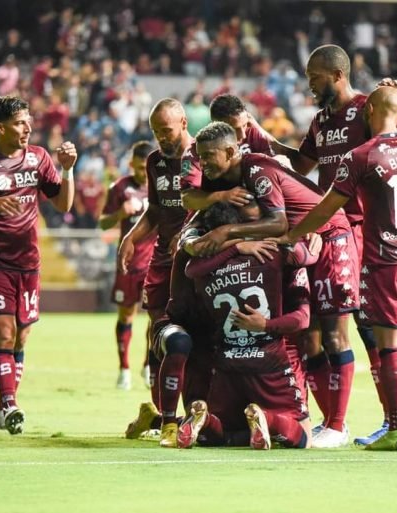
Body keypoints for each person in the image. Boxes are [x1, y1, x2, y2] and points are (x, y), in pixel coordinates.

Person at [274, 86, 397, 450]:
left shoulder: (361, 155)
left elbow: (326, 207)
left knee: (391, 347)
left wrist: (294, 234)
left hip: (386, 263)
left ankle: (395, 431)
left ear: (372, 110)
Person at [269, 44, 397, 446]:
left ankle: (391, 423)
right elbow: (302, 167)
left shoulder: (366, 108)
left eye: (314, 77)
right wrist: (263, 143)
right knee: (317, 331)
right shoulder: (321, 121)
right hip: (327, 231)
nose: (309, 85)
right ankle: (334, 421)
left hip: (359, 232)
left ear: (336, 75)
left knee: (367, 330)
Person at [192, 121, 359, 448]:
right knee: (308, 338)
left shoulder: (255, 169)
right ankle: (309, 420)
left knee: (332, 334)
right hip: (294, 244)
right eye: (200, 157)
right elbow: (193, 207)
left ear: (231, 151)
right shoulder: (226, 179)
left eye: (209, 156)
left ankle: (336, 425)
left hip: (326, 236)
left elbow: (278, 221)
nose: (204, 164)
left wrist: (227, 234)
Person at [0, 95, 77, 435]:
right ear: (1, 128)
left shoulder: (38, 158)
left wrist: (68, 168)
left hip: (29, 262)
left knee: (21, 337)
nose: (28, 127)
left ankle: (3, 404)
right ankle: (10, 405)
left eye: (28, 121)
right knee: (3, 332)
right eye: (21, 122)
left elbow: (64, 204)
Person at [177, 203, 312, 450]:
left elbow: (190, 269)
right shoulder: (271, 254)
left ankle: (205, 420)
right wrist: (266, 324)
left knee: (225, 433)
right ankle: (267, 419)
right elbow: (303, 316)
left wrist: (232, 247)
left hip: (227, 365)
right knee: (304, 437)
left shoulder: (202, 268)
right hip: (269, 363)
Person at [117, 98, 202, 448]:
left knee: (195, 337)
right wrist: (131, 237)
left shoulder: (202, 154)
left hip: (196, 262)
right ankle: (161, 413)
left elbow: (209, 202)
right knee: (159, 333)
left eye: (165, 131)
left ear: (183, 123)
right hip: (162, 261)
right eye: (155, 132)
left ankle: (191, 411)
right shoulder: (154, 161)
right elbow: (154, 209)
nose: (161, 138)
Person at [99, 140, 155, 390]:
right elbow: (103, 223)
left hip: (155, 263)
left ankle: (148, 363)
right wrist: (120, 213)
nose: (144, 173)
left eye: (147, 168)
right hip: (128, 264)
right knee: (127, 314)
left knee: (157, 317)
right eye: (140, 167)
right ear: (131, 164)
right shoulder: (120, 187)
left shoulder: (160, 187)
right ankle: (124, 369)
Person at [180, 93, 274, 212]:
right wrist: (222, 196)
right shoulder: (197, 151)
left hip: (255, 213)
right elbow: (187, 199)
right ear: (216, 124)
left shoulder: (253, 134)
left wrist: (260, 129)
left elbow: (282, 169)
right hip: (211, 216)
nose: (243, 135)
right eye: (234, 129)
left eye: (244, 125)